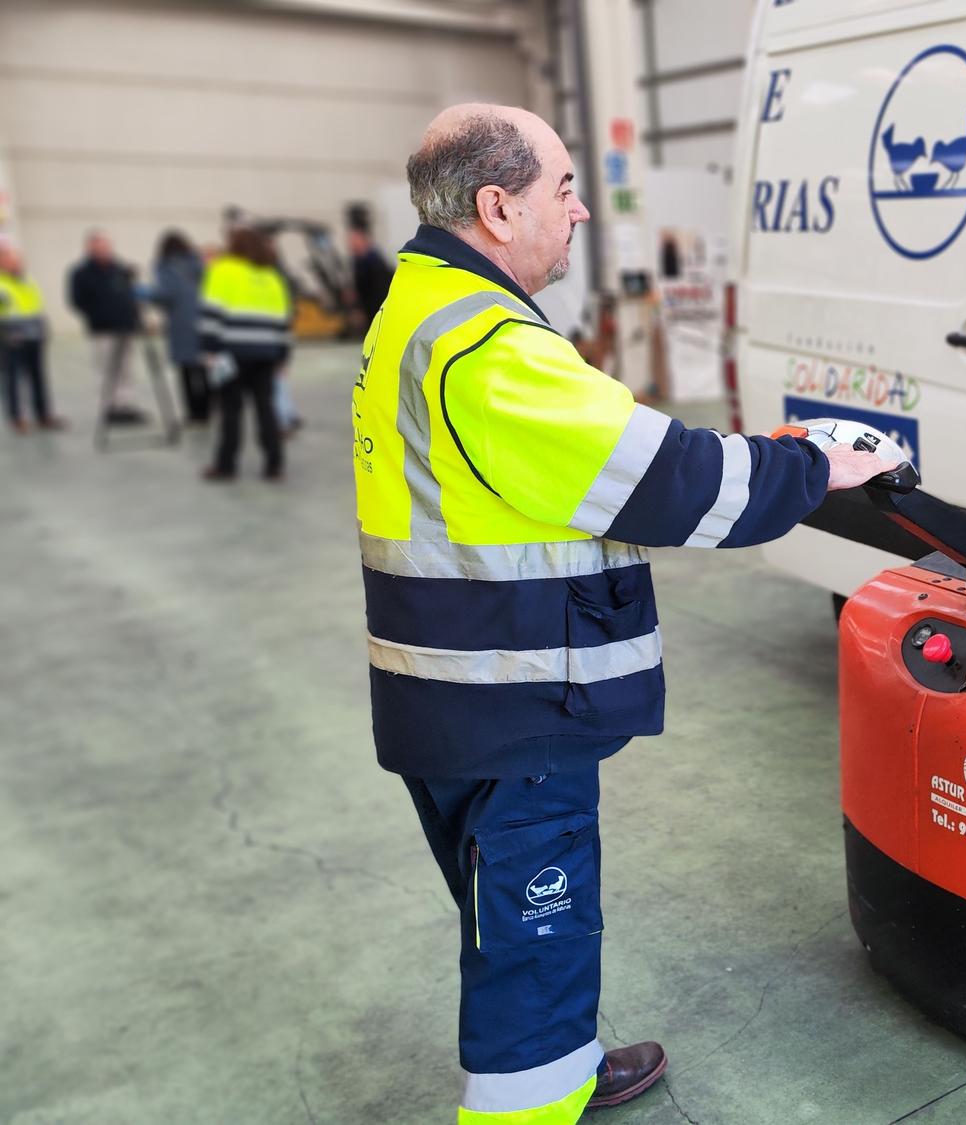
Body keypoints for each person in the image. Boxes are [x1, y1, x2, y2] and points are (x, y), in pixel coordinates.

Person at [357, 104, 895, 1124]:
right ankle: (526, 1102)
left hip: (451, 688)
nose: (582, 209)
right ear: (496, 205)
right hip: (506, 698)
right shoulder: (485, 344)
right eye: (563, 189)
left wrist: (766, 451)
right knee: (534, 929)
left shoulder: (419, 304)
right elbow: (662, 481)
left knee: (505, 917)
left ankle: (561, 1062)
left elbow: (562, 468)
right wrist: (813, 467)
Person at [199, 227, 292, 481]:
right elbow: (283, 322)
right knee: (266, 408)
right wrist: (282, 356)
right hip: (266, 353)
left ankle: (226, 466)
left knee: (230, 410)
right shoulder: (272, 276)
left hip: (232, 352)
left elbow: (211, 314)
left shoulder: (222, 270)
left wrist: (209, 349)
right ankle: (274, 466)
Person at [67, 229, 145, 425]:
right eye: (99, 247)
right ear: (90, 248)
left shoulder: (119, 269)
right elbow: (77, 301)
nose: (104, 250)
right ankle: (108, 407)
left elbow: (130, 294)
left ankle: (125, 405)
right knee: (106, 368)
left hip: (126, 327)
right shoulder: (81, 273)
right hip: (103, 330)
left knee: (126, 368)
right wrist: (98, 313)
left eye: (106, 246)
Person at [0, 241, 63, 433]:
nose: (16, 262)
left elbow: (35, 306)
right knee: (12, 379)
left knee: (38, 377)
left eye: (18, 259)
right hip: (11, 338)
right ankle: (17, 418)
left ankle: (43, 415)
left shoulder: (27, 280)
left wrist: (43, 328)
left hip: (34, 335)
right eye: (11, 258)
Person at [152, 230, 209, 424]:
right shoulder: (198, 264)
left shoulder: (165, 267)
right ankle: (207, 409)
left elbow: (166, 294)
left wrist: (145, 295)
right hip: (203, 320)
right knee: (204, 368)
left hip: (180, 324)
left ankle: (194, 413)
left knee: (186, 372)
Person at [348, 224, 393, 329]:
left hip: (377, 309)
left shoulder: (374, 262)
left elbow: (379, 292)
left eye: (355, 240)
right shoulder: (358, 261)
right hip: (370, 308)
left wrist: (361, 310)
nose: (351, 244)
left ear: (364, 240)